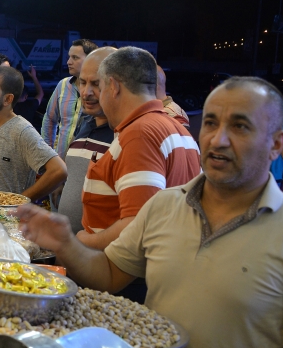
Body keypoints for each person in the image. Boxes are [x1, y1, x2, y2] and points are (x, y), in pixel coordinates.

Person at [18, 78, 283, 348]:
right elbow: (108, 275)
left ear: (277, 144)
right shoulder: (164, 205)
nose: (218, 139)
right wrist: (66, 244)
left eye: (240, 126)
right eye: (212, 123)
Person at [80, 47, 201, 251]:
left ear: (113, 86)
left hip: (127, 276)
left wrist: (81, 243)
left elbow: (137, 227)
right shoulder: (179, 130)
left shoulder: (139, 134)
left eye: (98, 85)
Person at [0, 66, 68, 199]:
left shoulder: (21, 130)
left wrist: (18, 203)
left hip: (7, 219)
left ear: (7, 99)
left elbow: (59, 171)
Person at [57, 47, 117, 234]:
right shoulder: (86, 124)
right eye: (83, 83)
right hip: (70, 253)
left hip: (98, 257)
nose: (86, 92)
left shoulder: (124, 136)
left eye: (96, 84)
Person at [42, 38, 97, 160]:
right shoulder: (63, 85)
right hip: (60, 163)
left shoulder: (100, 90)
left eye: (75, 58)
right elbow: (50, 120)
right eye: (69, 57)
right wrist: (47, 154)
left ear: (90, 59)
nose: (68, 62)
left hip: (85, 164)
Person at [0, 53, 45, 128]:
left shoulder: (22, 128)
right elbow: (41, 94)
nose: (10, 75)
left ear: (10, 98)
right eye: (5, 72)